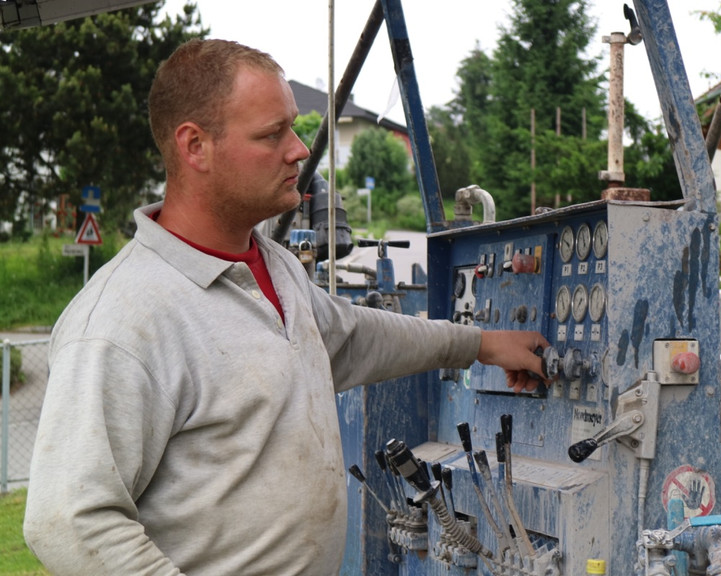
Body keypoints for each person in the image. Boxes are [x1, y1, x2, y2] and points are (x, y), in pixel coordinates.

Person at [23, 38, 549, 575]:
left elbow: (354, 337)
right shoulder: (124, 319)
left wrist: (481, 344)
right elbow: (69, 521)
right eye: (272, 134)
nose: (299, 150)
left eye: (293, 128)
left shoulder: (272, 268)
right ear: (195, 146)